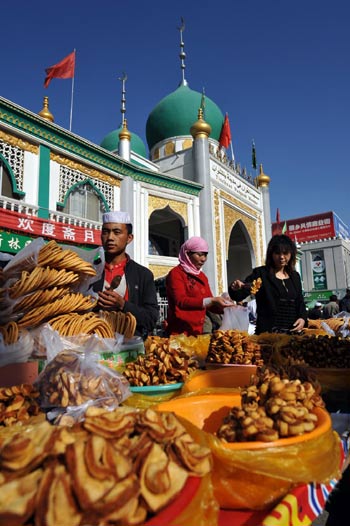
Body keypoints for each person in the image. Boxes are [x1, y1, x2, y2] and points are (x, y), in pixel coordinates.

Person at [93, 211, 159, 338]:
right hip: (94, 344)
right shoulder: (89, 270)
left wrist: (123, 305)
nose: (110, 237)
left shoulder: (143, 275)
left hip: (129, 347)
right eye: (106, 232)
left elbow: (151, 319)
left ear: (129, 238)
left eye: (117, 232)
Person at [228, 234, 307, 334]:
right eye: (277, 253)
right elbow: (241, 293)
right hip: (268, 334)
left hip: (292, 332)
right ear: (271, 254)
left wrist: (302, 318)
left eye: (285, 253)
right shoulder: (261, 274)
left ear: (291, 254)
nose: (282, 257)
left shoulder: (295, 276)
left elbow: (300, 301)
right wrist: (235, 288)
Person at [165, 236, 234, 336]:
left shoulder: (202, 277)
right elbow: (181, 301)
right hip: (180, 333)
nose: (203, 259)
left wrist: (226, 307)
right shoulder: (176, 274)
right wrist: (211, 300)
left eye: (205, 255)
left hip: (198, 331)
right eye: (200, 255)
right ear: (187, 254)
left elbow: (211, 306)